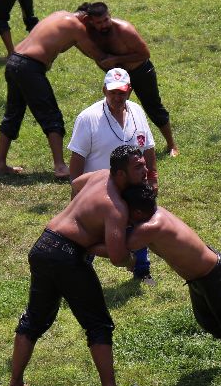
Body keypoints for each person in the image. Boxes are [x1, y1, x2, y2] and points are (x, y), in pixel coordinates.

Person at [8, 146, 150, 386]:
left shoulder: (99, 176)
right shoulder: (115, 207)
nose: (146, 171)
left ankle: (15, 384)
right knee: (98, 323)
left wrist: (81, 219)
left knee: (35, 319)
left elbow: (76, 185)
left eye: (144, 164)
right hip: (66, 256)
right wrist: (128, 260)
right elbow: (118, 257)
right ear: (120, 174)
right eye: (138, 167)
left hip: (44, 244)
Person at [119, 184, 221, 386]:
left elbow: (118, 248)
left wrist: (83, 241)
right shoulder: (155, 213)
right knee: (207, 320)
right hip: (200, 278)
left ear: (136, 211)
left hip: (215, 275)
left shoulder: (151, 226)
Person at [0, 6, 111, 178]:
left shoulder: (59, 15)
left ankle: (0, 164)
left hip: (14, 61)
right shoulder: (76, 26)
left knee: (13, 113)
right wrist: (120, 70)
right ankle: (60, 167)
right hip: (29, 67)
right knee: (51, 116)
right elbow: (96, 55)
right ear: (85, 18)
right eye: (93, 25)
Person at [68, 68, 159, 286]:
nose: (117, 97)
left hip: (134, 187)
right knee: (89, 233)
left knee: (140, 226)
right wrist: (77, 195)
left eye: (122, 92)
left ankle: (141, 270)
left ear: (129, 91)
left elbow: (148, 148)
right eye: (112, 92)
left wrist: (152, 177)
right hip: (101, 191)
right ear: (104, 91)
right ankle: (79, 272)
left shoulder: (137, 111)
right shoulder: (88, 118)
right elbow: (76, 160)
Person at [79, 2, 179, 157]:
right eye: (99, 22)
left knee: (153, 107)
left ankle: (172, 145)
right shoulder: (90, 33)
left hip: (141, 71)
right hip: (118, 75)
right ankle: (111, 147)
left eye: (106, 20)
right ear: (91, 21)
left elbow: (145, 54)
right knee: (113, 109)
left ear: (110, 15)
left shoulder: (124, 29)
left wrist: (115, 58)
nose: (104, 25)